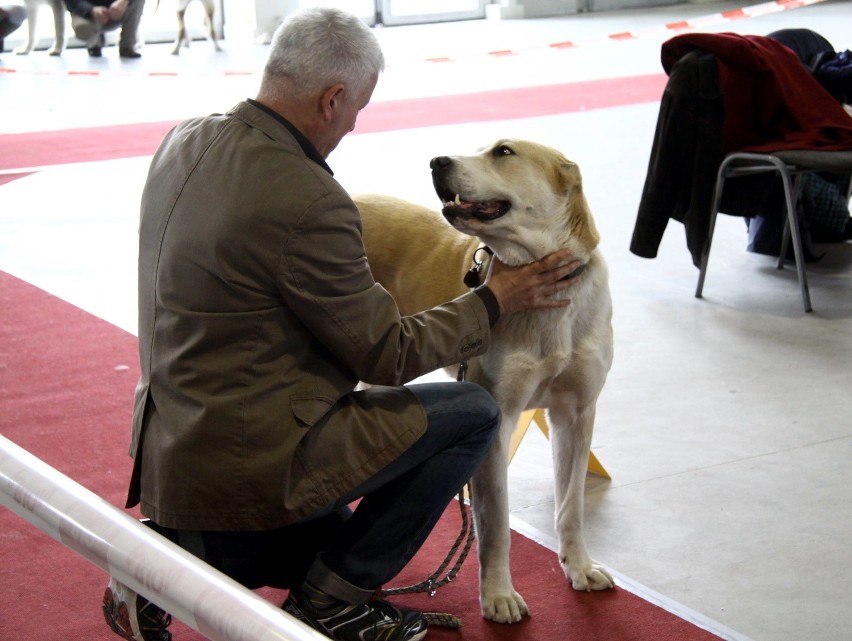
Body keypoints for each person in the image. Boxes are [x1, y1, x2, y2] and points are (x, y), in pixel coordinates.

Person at [102, 7, 583, 641]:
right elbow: (385, 354)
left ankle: (163, 559)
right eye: (356, 111)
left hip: (174, 442)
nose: (353, 125)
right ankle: (332, 600)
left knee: (310, 550)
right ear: (332, 99)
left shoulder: (185, 138)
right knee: (469, 411)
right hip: (255, 453)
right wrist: (495, 300)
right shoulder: (308, 197)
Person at [63, 0, 144, 58]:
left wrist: (123, 1)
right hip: (87, 14)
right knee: (83, 29)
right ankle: (94, 44)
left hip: (117, 10)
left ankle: (127, 47)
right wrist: (91, 10)